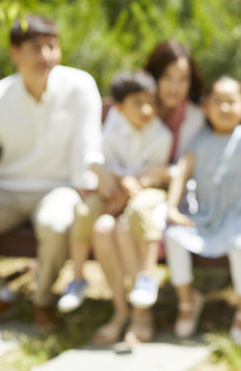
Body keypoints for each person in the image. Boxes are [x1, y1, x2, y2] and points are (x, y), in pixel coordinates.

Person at [0, 14, 103, 330]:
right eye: (36, 48)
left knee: (55, 223)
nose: (46, 56)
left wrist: (89, 199)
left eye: (52, 46)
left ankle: (42, 301)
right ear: (14, 52)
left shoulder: (80, 86)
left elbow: (88, 150)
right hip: (8, 190)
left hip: (59, 189)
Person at [88, 39, 206, 343]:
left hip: (170, 197)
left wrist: (148, 178)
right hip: (126, 193)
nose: (175, 87)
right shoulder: (128, 104)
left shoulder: (192, 117)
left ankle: (141, 315)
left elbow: (182, 171)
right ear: (153, 76)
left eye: (183, 79)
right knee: (102, 229)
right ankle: (121, 311)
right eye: (167, 77)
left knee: (127, 227)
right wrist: (111, 177)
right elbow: (104, 154)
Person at [57, 70, 173, 344]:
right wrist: (113, 181)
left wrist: (127, 187)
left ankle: (143, 297)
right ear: (119, 106)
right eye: (137, 103)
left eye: (150, 102)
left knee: (127, 224)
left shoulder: (161, 135)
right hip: (115, 195)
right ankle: (93, 290)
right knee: (95, 222)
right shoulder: (114, 125)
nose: (147, 109)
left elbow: (153, 174)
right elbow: (100, 158)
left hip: (143, 196)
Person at [165, 76, 241, 346]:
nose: (224, 108)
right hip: (206, 216)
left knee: (239, 244)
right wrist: (172, 207)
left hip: (239, 215)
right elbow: (181, 173)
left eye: (231, 101)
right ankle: (188, 301)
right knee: (174, 236)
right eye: (217, 101)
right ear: (206, 107)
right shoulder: (199, 142)